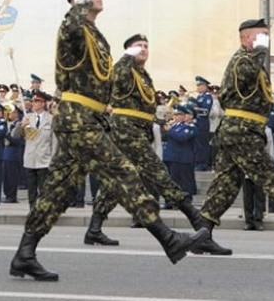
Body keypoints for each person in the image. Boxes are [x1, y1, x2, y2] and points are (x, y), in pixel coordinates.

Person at [9, 0, 209, 282]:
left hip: (88, 119)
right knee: (123, 172)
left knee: (56, 192)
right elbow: (72, 25)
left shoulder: (94, 34)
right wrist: (81, 1)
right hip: (78, 121)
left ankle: (24, 254)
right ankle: (169, 239)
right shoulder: (72, 28)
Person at [84, 34, 205, 247]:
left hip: (137, 130)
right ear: (128, 50)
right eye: (138, 46)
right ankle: (197, 220)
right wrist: (127, 56)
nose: (143, 49)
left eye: (146, 46)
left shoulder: (142, 74)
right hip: (125, 131)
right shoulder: (125, 69)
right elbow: (116, 77)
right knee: (157, 171)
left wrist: (157, 120)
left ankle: (94, 229)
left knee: (118, 182)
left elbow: (143, 106)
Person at [197, 18, 274, 255]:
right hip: (241, 131)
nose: (266, 40)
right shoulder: (242, 60)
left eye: (268, 35)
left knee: (226, 184)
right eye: (261, 35)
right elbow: (246, 73)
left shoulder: (253, 60)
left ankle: (202, 233)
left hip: (241, 130)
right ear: (246, 38)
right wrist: (261, 51)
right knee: (272, 176)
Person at [13, 91, 55, 209]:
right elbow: (15, 135)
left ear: (43, 103)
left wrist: (54, 159)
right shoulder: (28, 117)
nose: (33, 103)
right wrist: (21, 125)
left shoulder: (51, 119)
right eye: (33, 101)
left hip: (44, 159)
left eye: (37, 101)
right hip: (30, 159)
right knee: (31, 188)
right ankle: (33, 209)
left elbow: (55, 141)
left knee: (44, 189)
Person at [163, 104, 198, 209]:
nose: (176, 117)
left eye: (179, 115)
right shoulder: (173, 126)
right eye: (176, 114)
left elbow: (182, 137)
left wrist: (170, 131)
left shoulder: (190, 127)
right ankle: (170, 201)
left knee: (184, 182)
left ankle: (185, 203)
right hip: (171, 157)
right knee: (171, 181)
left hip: (183, 158)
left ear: (183, 116)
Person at [3, 103, 25, 203]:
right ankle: (7, 194)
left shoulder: (19, 125)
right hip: (5, 153)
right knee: (6, 177)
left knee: (12, 177)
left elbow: (17, 141)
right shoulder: (8, 124)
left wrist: (6, 135)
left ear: (16, 113)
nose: (9, 114)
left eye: (11, 112)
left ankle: (12, 196)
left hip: (13, 154)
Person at [193, 76, 213, 171]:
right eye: (197, 85)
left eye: (200, 85)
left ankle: (203, 164)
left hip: (203, 124)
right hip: (197, 123)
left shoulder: (207, 97)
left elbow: (205, 111)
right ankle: (197, 162)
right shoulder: (199, 97)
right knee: (197, 144)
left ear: (205, 86)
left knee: (202, 144)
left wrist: (194, 109)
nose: (198, 87)